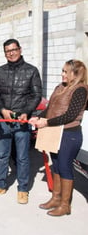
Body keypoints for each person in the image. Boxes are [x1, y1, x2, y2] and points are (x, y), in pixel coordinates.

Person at [29, 59, 88, 216]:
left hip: (70, 134)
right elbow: (50, 109)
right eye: (62, 70)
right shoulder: (60, 87)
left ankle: (65, 205)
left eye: (65, 71)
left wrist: (46, 122)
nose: (62, 74)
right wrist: (37, 118)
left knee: (64, 166)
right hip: (54, 132)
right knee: (56, 165)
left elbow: (70, 115)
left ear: (75, 74)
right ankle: (56, 198)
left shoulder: (80, 90)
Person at [0, 38, 42, 204]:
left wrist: (26, 112)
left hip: (22, 121)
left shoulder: (31, 71)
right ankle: (0, 184)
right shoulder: (0, 71)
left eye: (13, 50)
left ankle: (23, 188)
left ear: (20, 49)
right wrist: (2, 110)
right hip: (4, 121)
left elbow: (36, 95)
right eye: (7, 51)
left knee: (22, 156)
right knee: (2, 155)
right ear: (4, 53)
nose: (11, 53)